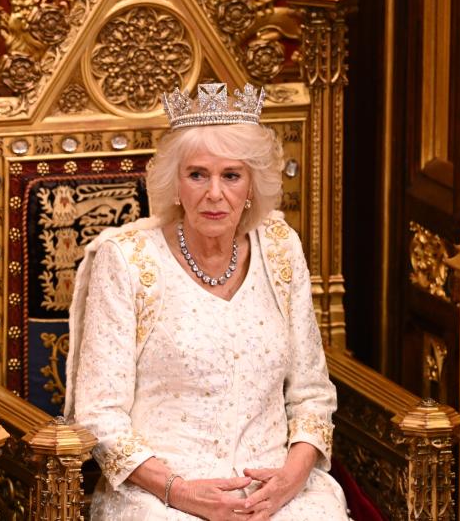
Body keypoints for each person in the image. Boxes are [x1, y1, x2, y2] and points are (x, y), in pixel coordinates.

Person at [64, 83, 349, 520]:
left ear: (252, 184)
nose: (214, 193)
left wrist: (289, 480)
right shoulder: (126, 261)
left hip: (279, 493)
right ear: (175, 184)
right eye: (198, 174)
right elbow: (100, 414)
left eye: (231, 175)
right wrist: (180, 492)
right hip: (162, 497)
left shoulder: (279, 248)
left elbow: (311, 394)